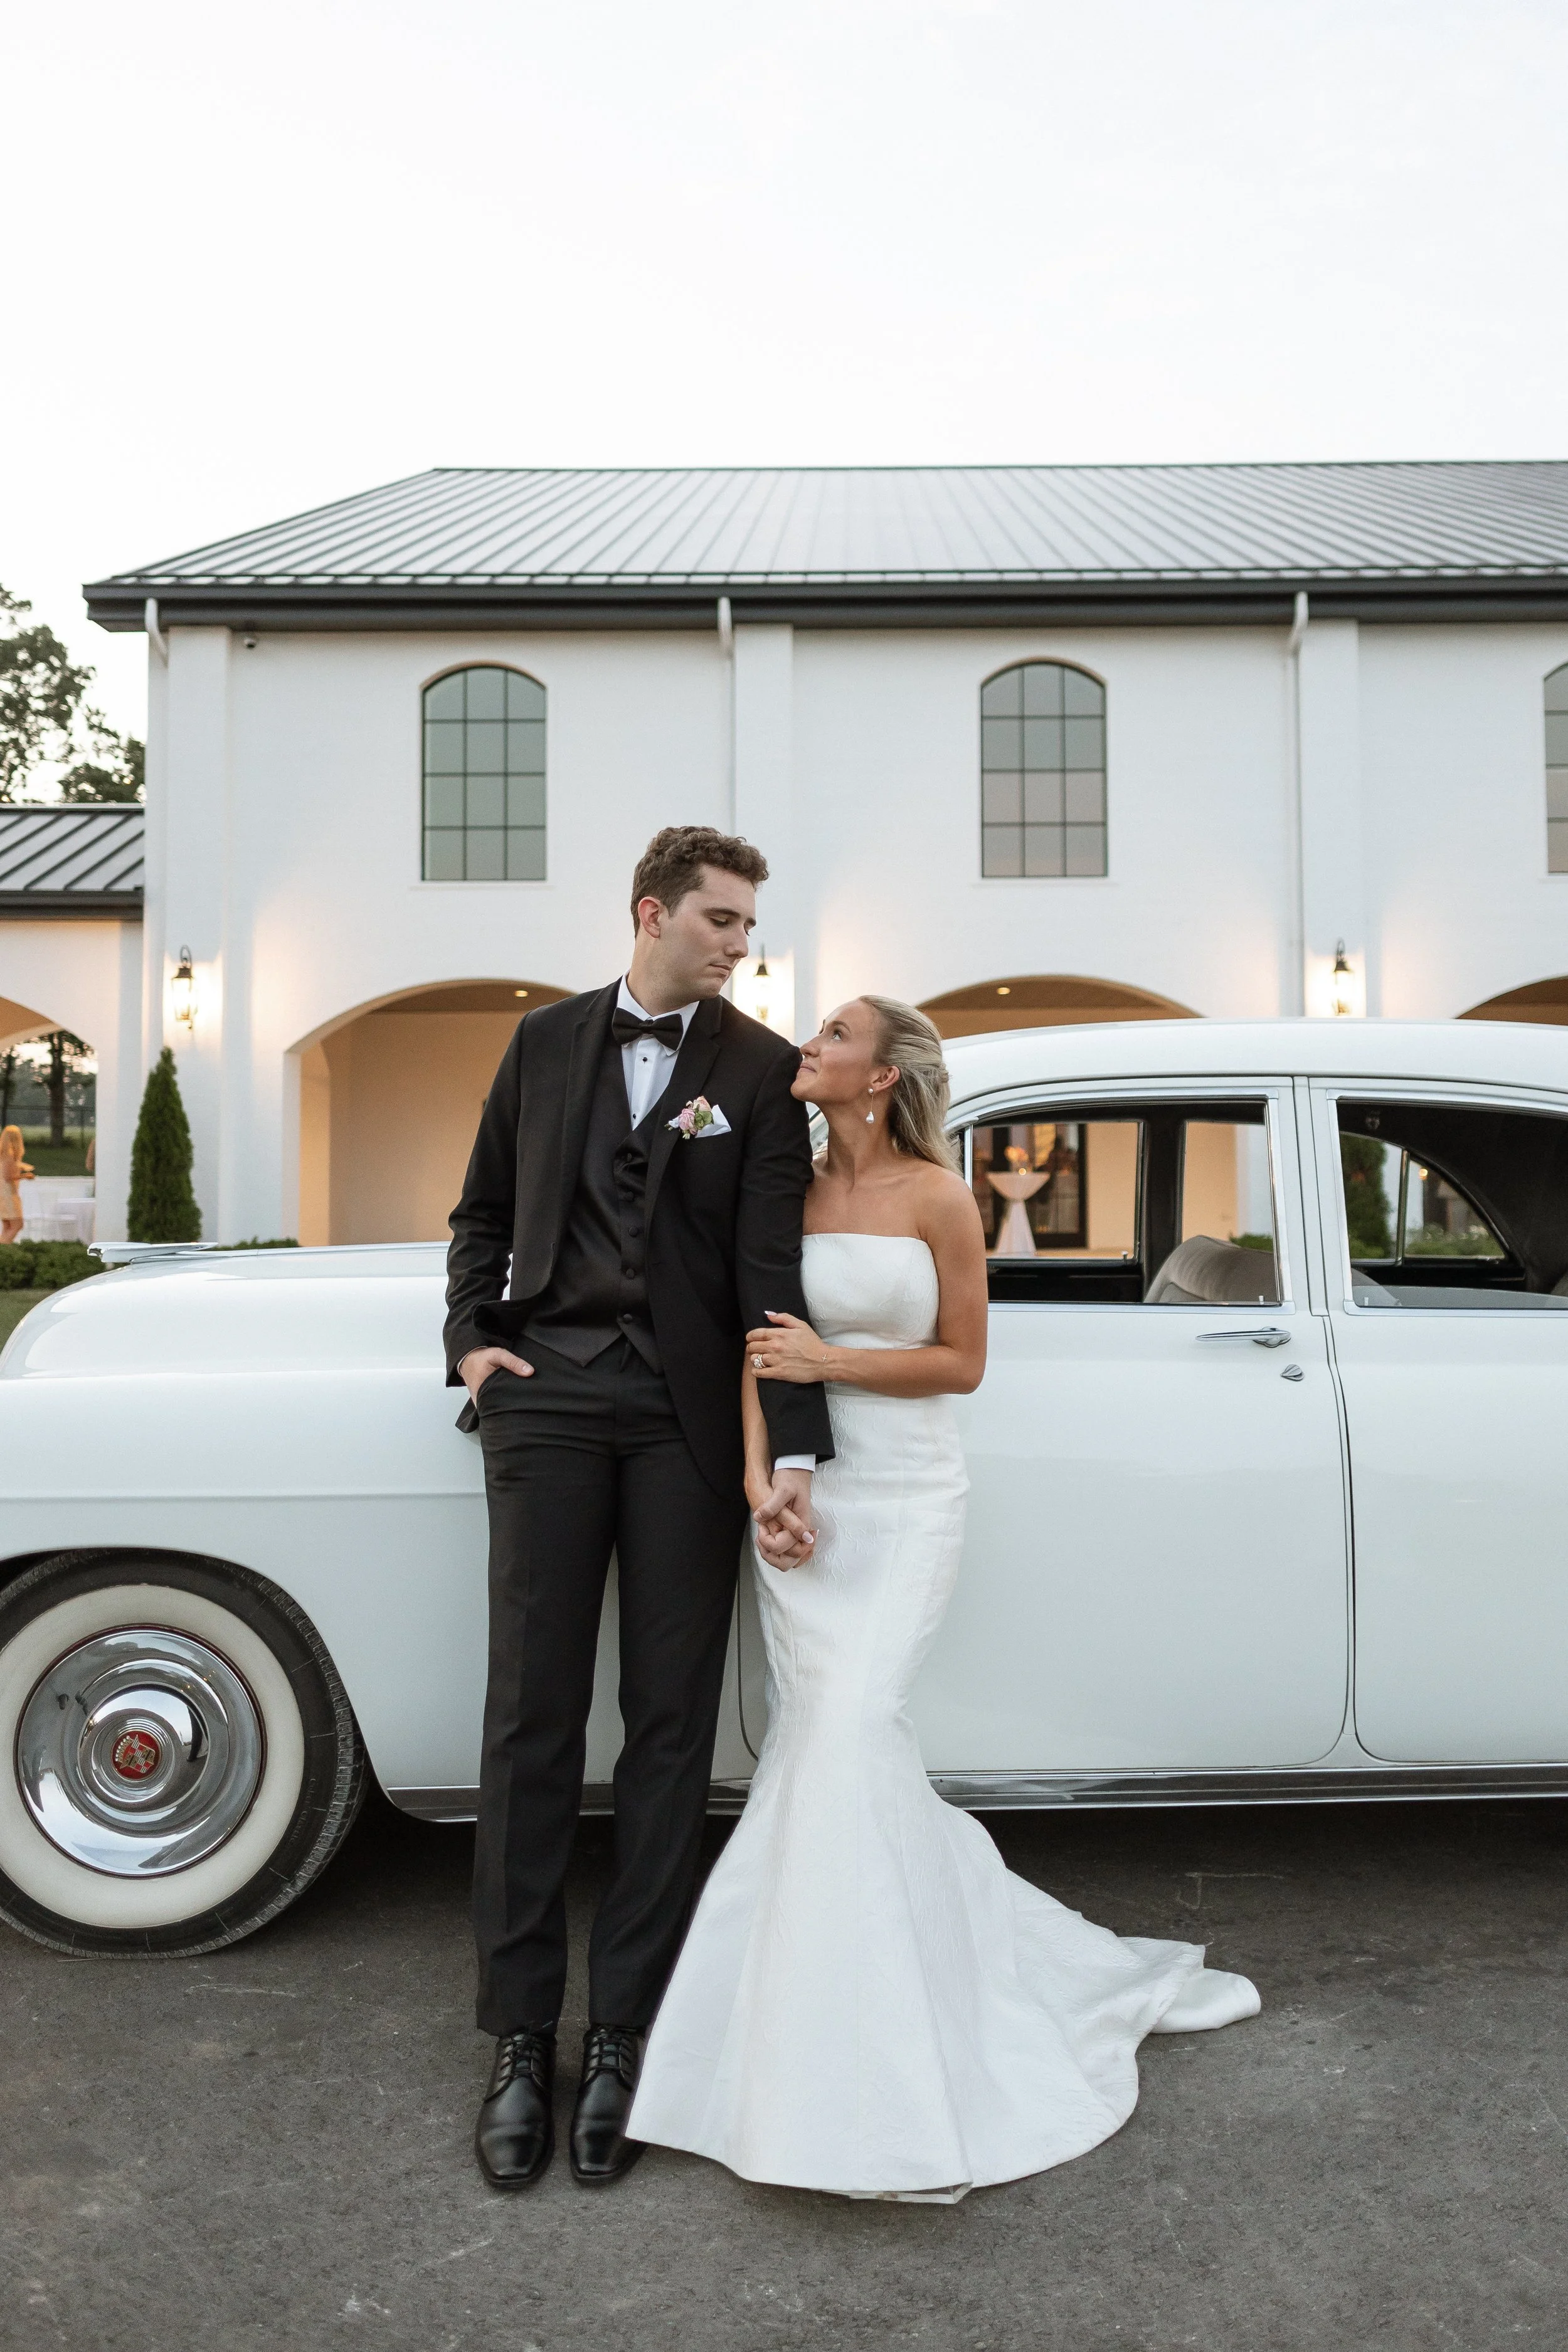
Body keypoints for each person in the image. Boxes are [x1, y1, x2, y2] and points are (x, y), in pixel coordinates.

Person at [628, 995, 1260, 2200]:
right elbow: (759, 1348)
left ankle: (885, 2050)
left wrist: (835, 1362)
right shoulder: (785, 1186)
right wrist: (768, 1484)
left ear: (880, 1077)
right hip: (811, 1500)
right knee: (828, 1749)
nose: (806, 1046)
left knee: (853, 1730)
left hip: (910, 1495)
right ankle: (814, 2039)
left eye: (832, 1036)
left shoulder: (937, 1194)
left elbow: (962, 1361)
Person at [446, 825, 834, 2193]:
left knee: (668, 1729)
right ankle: (514, 2038)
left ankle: (622, 2035)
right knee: (529, 1717)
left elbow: (767, 1266)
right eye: (720, 920)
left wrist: (790, 1448)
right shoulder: (544, 1045)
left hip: (680, 1420)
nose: (740, 944)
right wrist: (471, 1343)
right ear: (651, 913)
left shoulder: (762, 1070)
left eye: (746, 926)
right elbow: (481, 1212)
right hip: (547, 1397)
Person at [0, 1125, 34, 1245]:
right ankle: (4, 1248)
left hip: (4, 1194)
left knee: (7, 1227)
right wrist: (26, 1176)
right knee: (17, 1225)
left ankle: (4, 1252)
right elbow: (8, 1177)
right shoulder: (9, 1155)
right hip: (9, 1195)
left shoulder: (4, 1154)